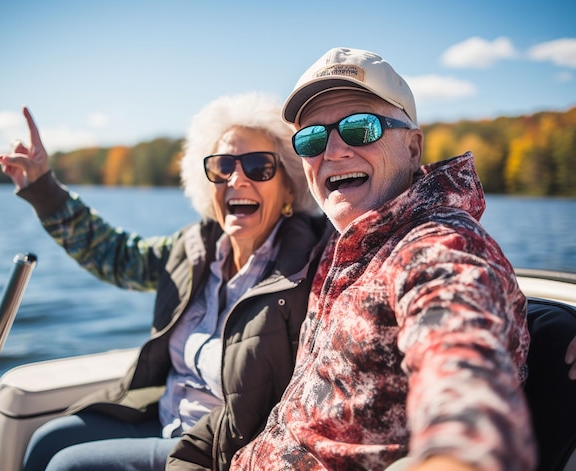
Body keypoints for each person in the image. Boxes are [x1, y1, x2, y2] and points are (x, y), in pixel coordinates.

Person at [229, 47, 537, 471]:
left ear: (413, 148)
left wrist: (456, 455)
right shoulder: (344, 243)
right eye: (312, 138)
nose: (333, 151)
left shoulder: (440, 245)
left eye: (359, 128)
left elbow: (463, 369)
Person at [0, 92, 328, 471]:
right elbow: (118, 256)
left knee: (68, 466)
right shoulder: (192, 249)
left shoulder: (312, 264)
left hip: (219, 448)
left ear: (289, 187)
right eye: (222, 166)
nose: (237, 178)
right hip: (164, 417)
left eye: (258, 166)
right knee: (46, 439)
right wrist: (43, 188)